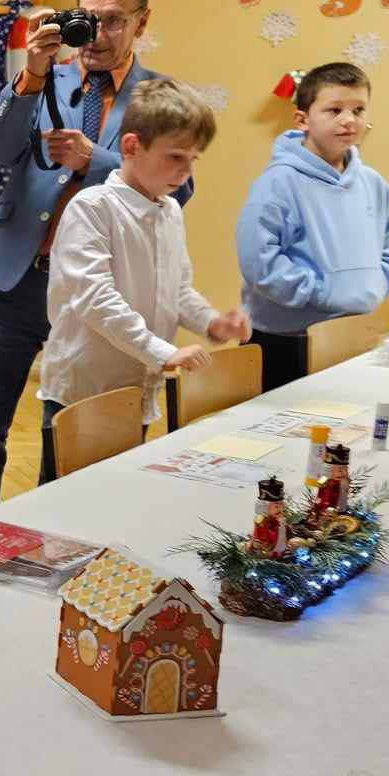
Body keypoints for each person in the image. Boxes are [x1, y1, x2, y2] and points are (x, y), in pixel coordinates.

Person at [0, 0, 191, 516]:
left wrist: (99, 161)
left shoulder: (159, 97)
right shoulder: (46, 77)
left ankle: (52, 536)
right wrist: (32, 74)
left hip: (95, 293)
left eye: (114, 21)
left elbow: (178, 189)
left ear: (142, 21)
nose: (98, 35)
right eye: (87, 18)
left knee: (66, 434)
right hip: (15, 280)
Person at [37, 78, 250, 479]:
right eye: (175, 157)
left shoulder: (169, 211)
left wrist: (211, 322)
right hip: (86, 390)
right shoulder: (92, 207)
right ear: (132, 146)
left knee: (119, 489)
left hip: (137, 387)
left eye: (193, 159)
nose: (185, 171)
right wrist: (162, 351)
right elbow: (95, 299)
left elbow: (178, 290)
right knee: (67, 499)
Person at [237, 63, 389, 391]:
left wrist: (376, 284)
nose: (349, 119)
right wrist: (321, 293)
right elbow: (259, 262)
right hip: (287, 340)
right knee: (286, 421)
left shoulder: (373, 183)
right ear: (302, 120)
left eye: (358, 110)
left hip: (351, 334)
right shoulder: (278, 183)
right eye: (334, 110)